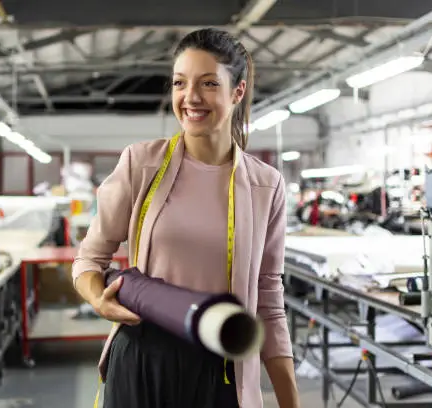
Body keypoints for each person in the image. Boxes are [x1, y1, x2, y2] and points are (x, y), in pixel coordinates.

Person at [73, 28, 300, 408]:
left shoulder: (265, 185)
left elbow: (269, 301)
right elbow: (88, 260)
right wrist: (100, 300)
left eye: (209, 83)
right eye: (180, 83)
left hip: (222, 372)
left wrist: (289, 401)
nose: (190, 97)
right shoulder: (141, 164)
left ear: (238, 92)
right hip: (143, 361)